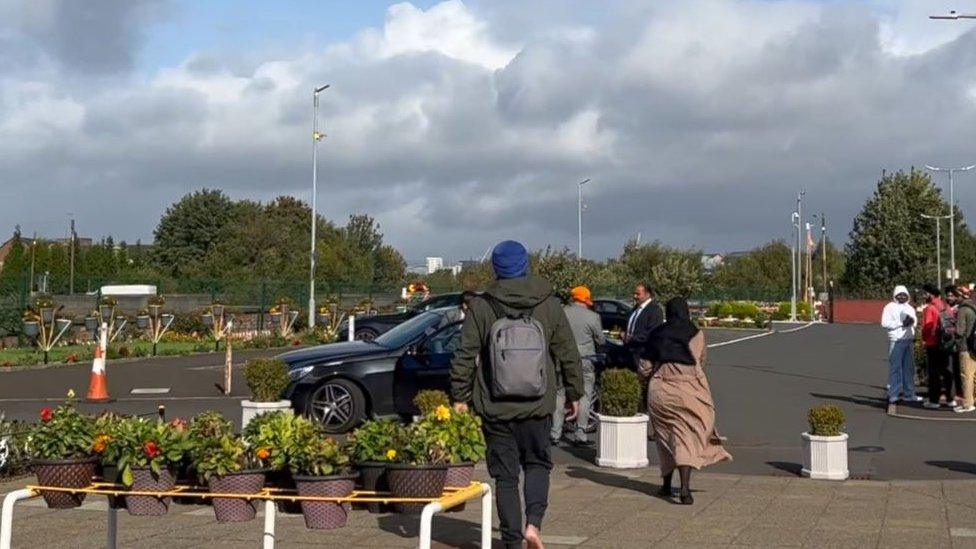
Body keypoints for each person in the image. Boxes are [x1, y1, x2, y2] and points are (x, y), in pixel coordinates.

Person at [451, 240, 583, 549]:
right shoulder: (548, 303)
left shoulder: (483, 305)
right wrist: (575, 393)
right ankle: (533, 524)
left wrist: (459, 396)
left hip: (495, 408)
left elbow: (464, 353)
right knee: (538, 464)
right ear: (526, 264)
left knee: (505, 477)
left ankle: (511, 541)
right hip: (537, 405)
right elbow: (568, 352)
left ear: (497, 268)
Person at [642, 297, 731, 505]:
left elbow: (644, 366)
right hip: (689, 389)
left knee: (664, 436)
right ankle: (684, 487)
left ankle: (665, 484)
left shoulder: (656, 334)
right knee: (686, 436)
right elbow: (701, 360)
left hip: (660, 390)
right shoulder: (696, 333)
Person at [551, 285, 605, 447]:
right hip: (584, 360)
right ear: (586, 299)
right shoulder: (593, 317)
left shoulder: (561, 313)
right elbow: (601, 340)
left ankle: (555, 433)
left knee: (559, 394)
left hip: (561, 359)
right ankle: (580, 433)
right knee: (584, 394)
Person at [881, 285, 922, 406]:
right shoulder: (889, 307)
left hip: (908, 340)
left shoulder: (909, 308)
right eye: (900, 295)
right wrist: (900, 323)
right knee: (895, 368)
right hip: (896, 341)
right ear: (895, 295)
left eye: (904, 295)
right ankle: (894, 394)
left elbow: (914, 321)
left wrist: (912, 322)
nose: (902, 297)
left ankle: (909, 394)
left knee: (909, 369)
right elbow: (884, 323)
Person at [920, 285, 952, 409]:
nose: (923, 296)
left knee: (933, 373)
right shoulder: (945, 306)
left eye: (924, 294)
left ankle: (934, 400)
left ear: (930, 294)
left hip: (933, 343)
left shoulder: (931, 308)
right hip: (946, 342)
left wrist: (924, 339)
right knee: (945, 370)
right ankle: (950, 399)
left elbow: (927, 327)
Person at [623, 282, 665, 374]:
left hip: (643, 354)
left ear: (647, 294)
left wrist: (632, 338)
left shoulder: (654, 310)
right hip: (631, 352)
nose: (635, 296)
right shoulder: (636, 309)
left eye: (638, 294)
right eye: (634, 293)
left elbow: (653, 333)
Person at [953, 286, 976, 413]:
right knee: (973, 375)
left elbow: (960, 331)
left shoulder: (963, 310)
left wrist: (952, 331)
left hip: (966, 346)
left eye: (956, 295)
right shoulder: (974, 307)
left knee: (966, 375)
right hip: (975, 345)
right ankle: (972, 400)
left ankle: (967, 403)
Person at [945, 286, 964, 406]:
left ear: (957, 297)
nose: (950, 297)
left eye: (952, 295)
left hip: (959, 343)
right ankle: (951, 394)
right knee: (949, 369)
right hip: (947, 344)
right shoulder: (945, 308)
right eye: (948, 295)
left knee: (960, 369)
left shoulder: (960, 309)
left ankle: (961, 392)